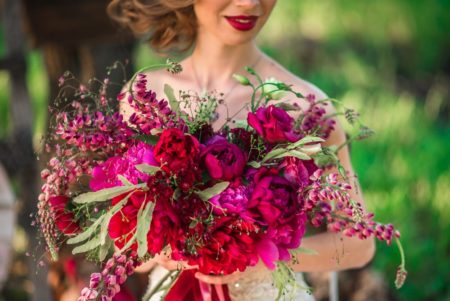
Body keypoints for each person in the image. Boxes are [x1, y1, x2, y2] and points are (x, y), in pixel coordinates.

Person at [108, 1, 375, 300]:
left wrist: (258, 258)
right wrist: (163, 249)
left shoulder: (307, 107)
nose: (249, 3)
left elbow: (359, 244)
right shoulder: (144, 97)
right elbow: (125, 245)